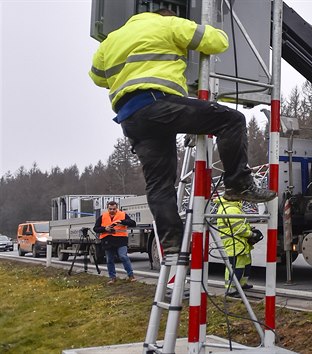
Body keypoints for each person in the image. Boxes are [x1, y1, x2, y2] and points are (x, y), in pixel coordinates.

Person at [88, 8, 275, 255]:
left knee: (159, 184)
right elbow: (217, 42)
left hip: (131, 118)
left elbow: (97, 77)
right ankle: (238, 184)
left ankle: (172, 243)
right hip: (158, 102)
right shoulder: (168, 25)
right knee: (232, 121)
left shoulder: (110, 41)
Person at [214, 196, 264, 297]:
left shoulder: (232, 207)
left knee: (245, 265)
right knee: (236, 266)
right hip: (235, 242)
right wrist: (252, 234)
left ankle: (241, 284)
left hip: (239, 242)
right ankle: (231, 289)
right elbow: (239, 229)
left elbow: (240, 225)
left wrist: (250, 230)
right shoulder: (231, 209)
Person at [93, 201, 138, 284]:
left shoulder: (123, 215)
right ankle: (112, 278)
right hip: (108, 240)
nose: (112, 210)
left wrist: (122, 221)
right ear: (107, 208)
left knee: (123, 256)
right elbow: (95, 228)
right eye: (110, 209)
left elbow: (133, 223)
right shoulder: (103, 216)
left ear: (116, 208)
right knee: (109, 259)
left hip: (121, 240)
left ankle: (131, 276)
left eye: (114, 209)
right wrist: (104, 229)